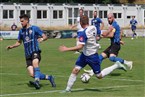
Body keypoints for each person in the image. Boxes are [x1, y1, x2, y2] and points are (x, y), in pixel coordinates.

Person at [59, 15, 126, 93]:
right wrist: (109, 30)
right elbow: (103, 34)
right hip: (84, 55)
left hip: (93, 57)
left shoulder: (83, 33)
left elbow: (80, 47)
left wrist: (66, 49)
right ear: (88, 21)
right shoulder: (93, 27)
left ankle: (116, 65)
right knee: (76, 70)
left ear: (80, 23)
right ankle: (68, 89)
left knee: (99, 76)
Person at [7, 14, 56, 89]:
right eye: (20, 22)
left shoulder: (34, 28)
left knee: (35, 63)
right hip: (27, 54)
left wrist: (42, 39)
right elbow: (19, 42)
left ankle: (37, 82)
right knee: (32, 74)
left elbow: (45, 36)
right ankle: (49, 77)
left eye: (22, 21)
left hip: (35, 51)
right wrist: (12, 46)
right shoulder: (21, 31)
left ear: (27, 20)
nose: (21, 23)